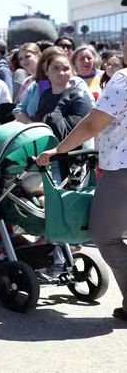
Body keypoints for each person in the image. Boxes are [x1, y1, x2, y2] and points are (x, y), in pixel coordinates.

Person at [37, 65, 127, 323]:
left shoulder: (123, 78)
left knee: (105, 237)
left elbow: (92, 123)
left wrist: (59, 150)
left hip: (122, 170)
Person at [14, 47, 93, 136]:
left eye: (65, 68)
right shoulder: (42, 91)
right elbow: (20, 110)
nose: (61, 73)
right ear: (45, 68)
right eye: (55, 67)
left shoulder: (77, 89)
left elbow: (87, 121)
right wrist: (33, 129)